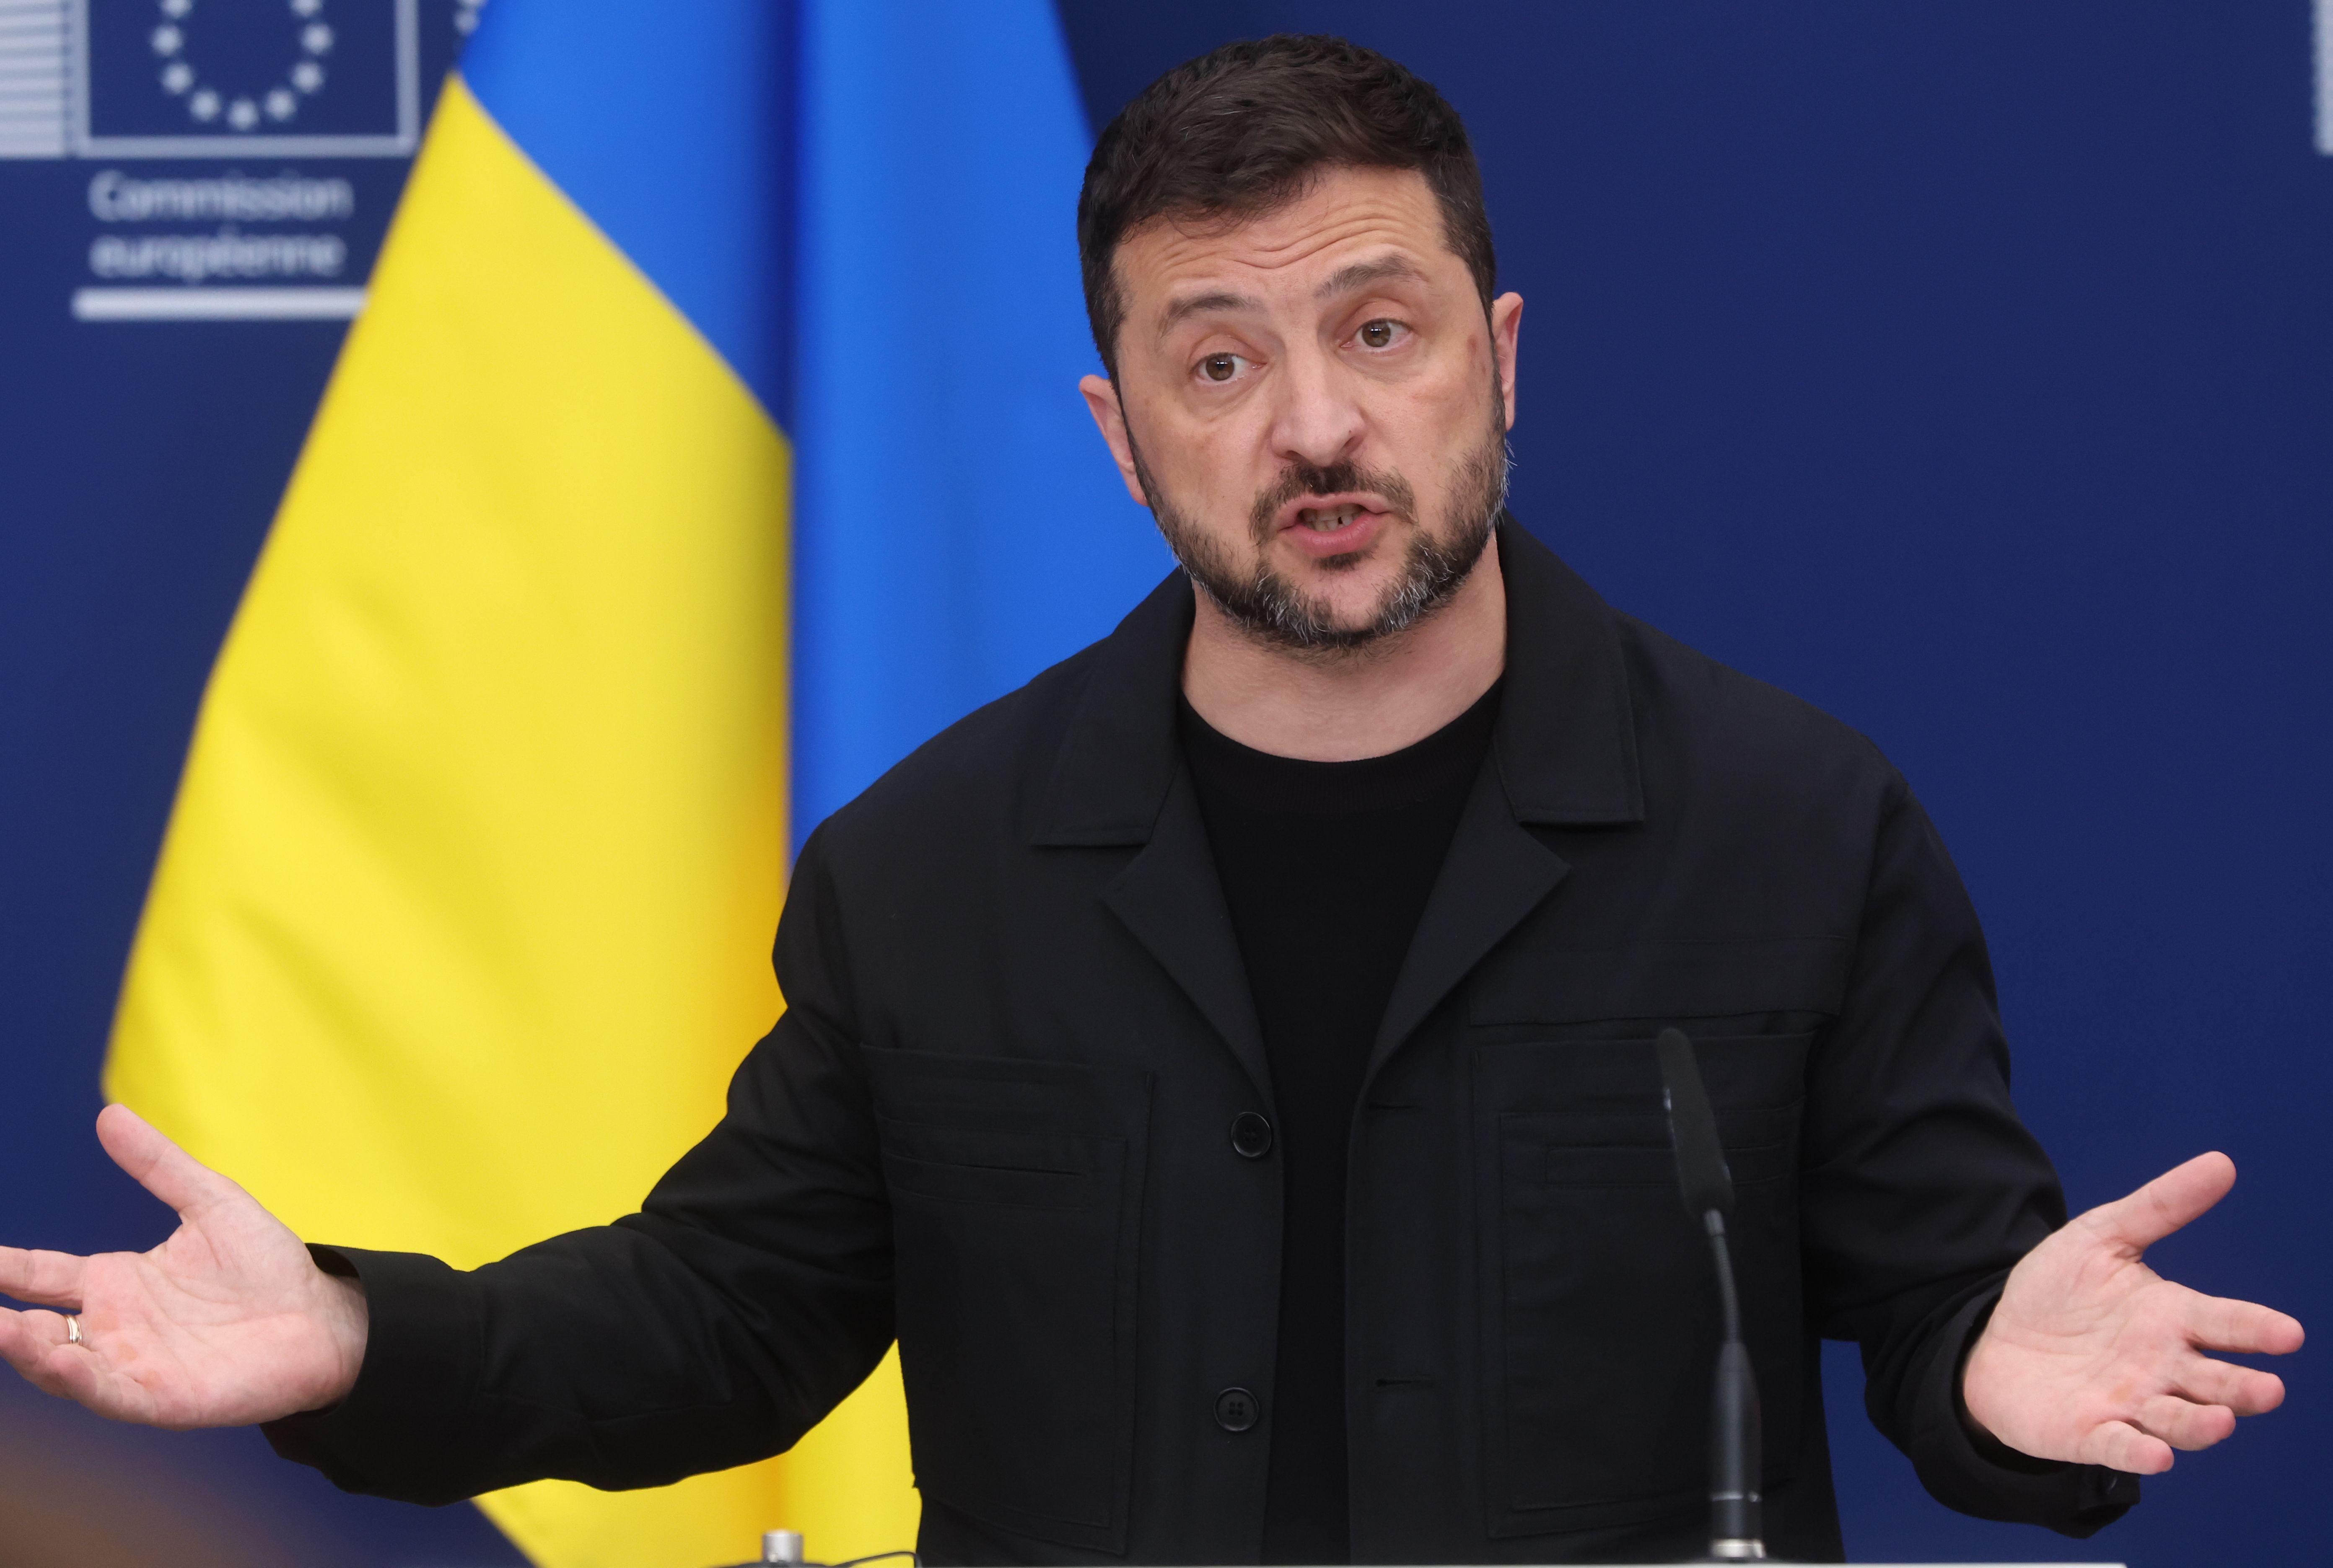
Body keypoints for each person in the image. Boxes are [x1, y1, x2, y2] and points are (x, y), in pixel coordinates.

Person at [0, 35, 2303, 1566]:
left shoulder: (1799, 828)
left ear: (1497, 365)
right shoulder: (932, 870)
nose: (1311, 426)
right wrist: (365, 1345)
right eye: (1220, 360)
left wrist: (2000, 1387)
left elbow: (1952, 1330)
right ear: (1119, 435)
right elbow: (726, 1319)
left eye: (1378, 332)